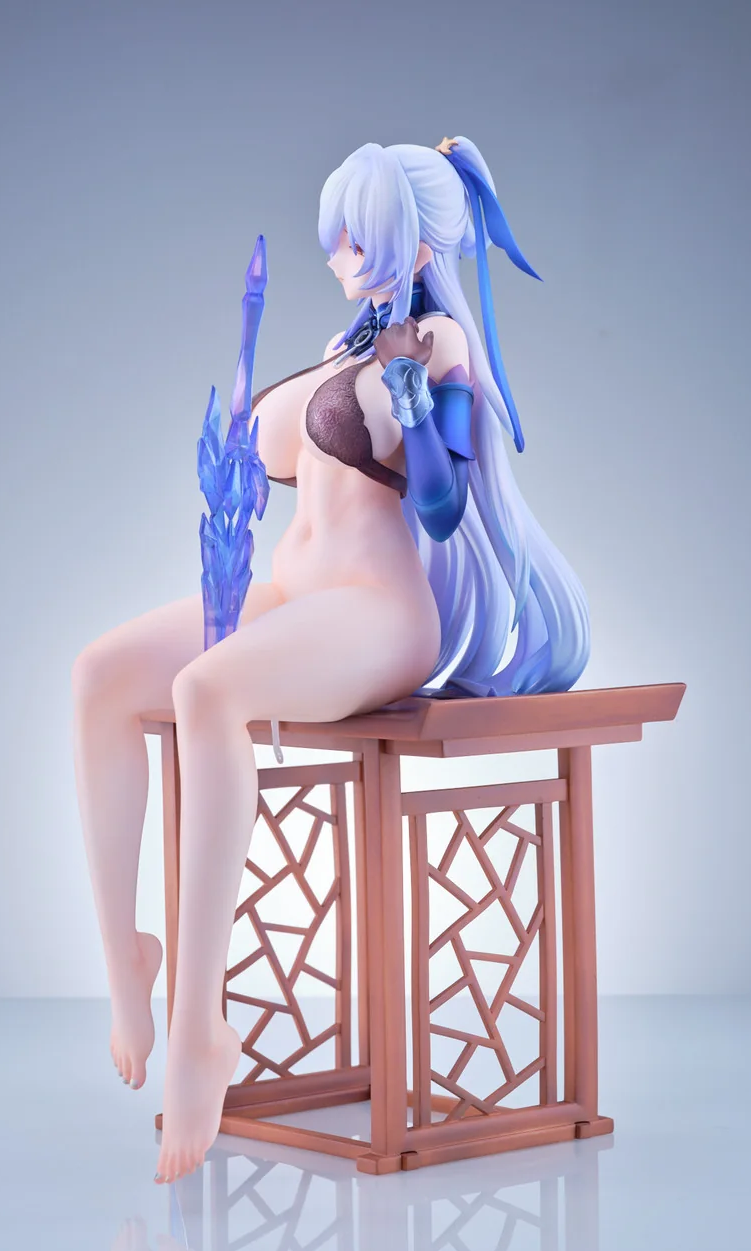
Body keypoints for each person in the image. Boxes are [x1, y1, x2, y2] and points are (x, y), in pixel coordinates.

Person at [71, 136, 589, 1184]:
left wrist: (409, 396)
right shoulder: (340, 339)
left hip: (379, 612)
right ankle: (128, 956)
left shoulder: (439, 345)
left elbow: (440, 506)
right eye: (337, 237)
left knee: (205, 691)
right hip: (295, 593)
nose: (340, 254)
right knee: (102, 675)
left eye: (359, 236)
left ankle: (200, 1022)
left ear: (415, 241)